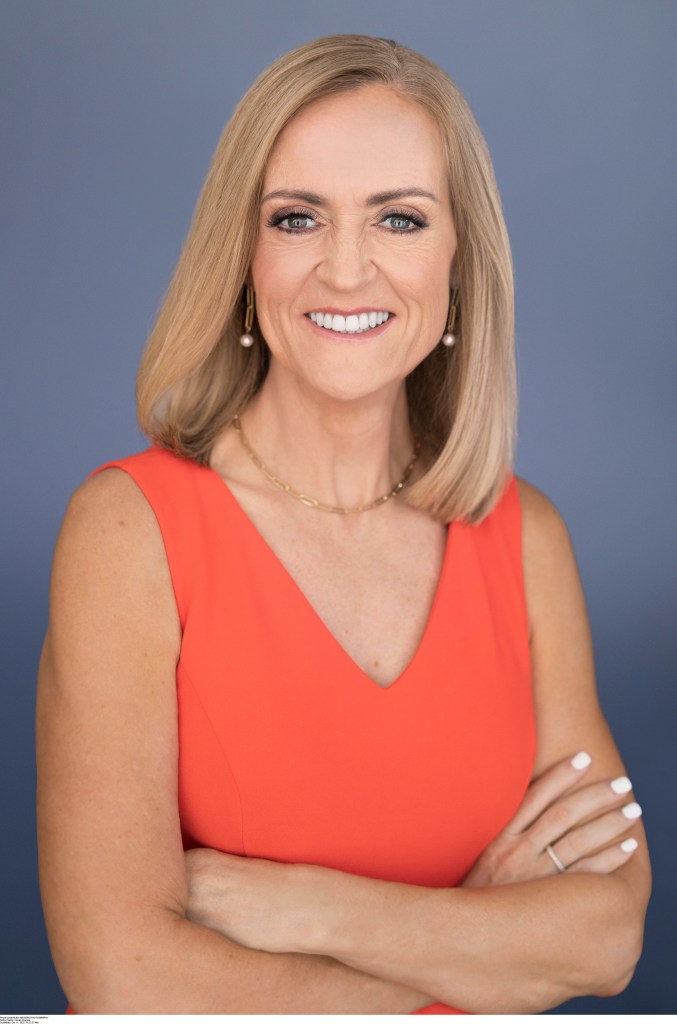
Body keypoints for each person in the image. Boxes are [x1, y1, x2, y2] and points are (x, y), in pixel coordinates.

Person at [36, 34, 650, 1014]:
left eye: (399, 218)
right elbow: (125, 979)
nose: (347, 269)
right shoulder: (127, 531)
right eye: (297, 218)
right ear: (244, 256)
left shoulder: (525, 537)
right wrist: (477, 933)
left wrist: (311, 909)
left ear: (457, 258)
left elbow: (606, 937)